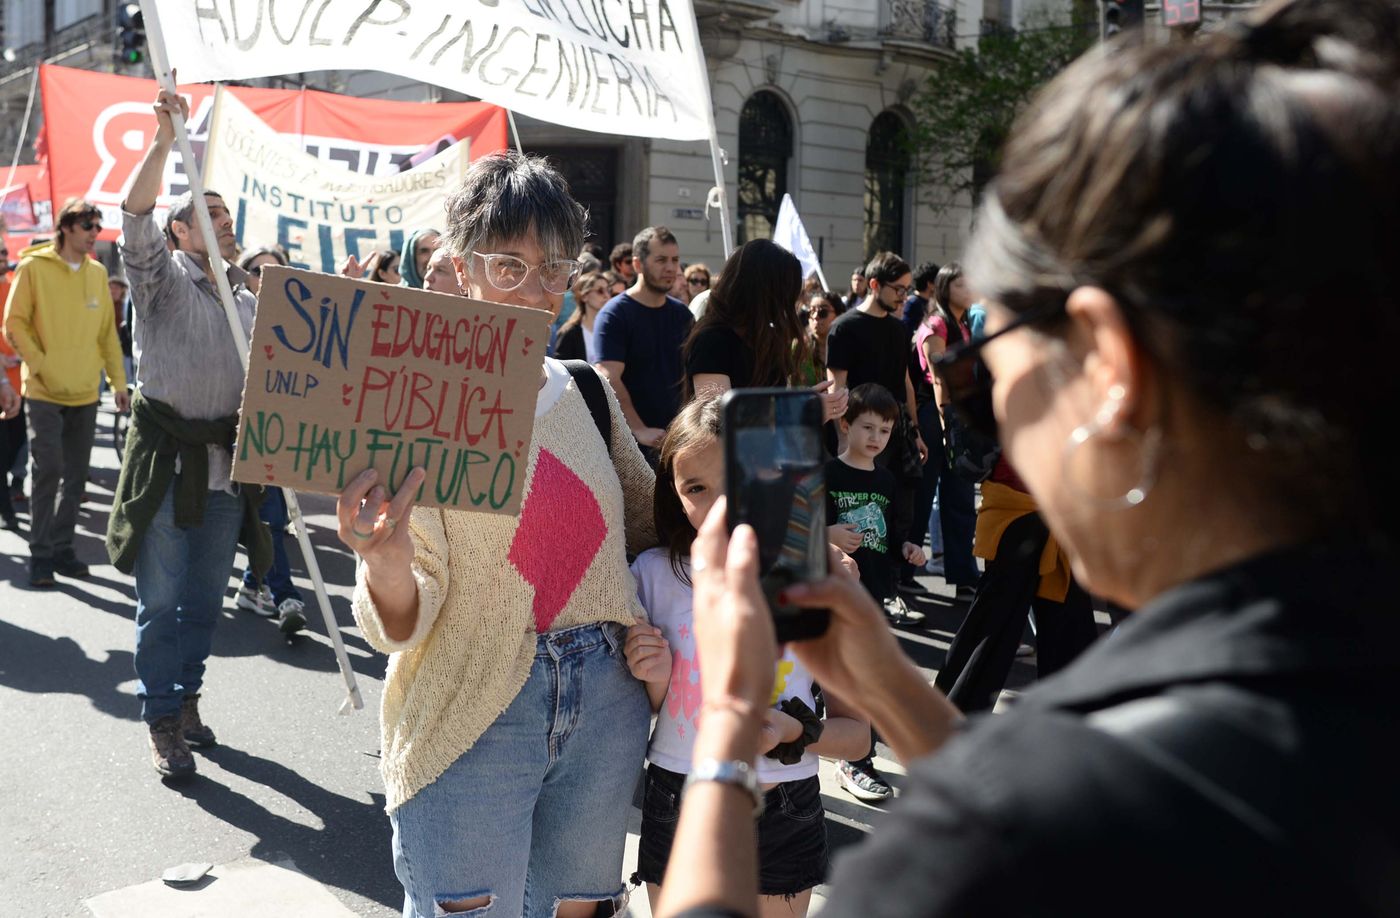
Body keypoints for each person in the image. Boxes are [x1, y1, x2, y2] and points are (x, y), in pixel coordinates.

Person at [653, 3, 1400, 914]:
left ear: (1105, 363)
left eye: (984, 367)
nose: (992, 408)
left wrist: (727, 727)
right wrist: (890, 685)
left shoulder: (1051, 814)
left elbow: (1028, 833)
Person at [337, 150, 657, 918]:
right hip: (472, 710)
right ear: (458, 266)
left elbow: (651, 532)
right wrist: (383, 562)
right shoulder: (412, 405)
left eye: (553, 269)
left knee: (580, 907)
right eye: (508, 266)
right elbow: (404, 620)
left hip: (608, 707)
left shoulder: (585, 390)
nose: (535, 291)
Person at [625, 394, 868, 918]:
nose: (720, 505)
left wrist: (792, 732)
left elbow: (857, 738)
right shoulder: (651, 575)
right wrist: (656, 678)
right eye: (696, 488)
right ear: (672, 493)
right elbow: (640, 714)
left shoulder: (820, 581)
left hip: (784, 806)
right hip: (677, 795)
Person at [108, 89, 271, 779]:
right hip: (170, 467)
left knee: (204, 602)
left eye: (229, 217)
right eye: (208, 214)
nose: (224, 225)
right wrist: (163, 142)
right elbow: (135, 212)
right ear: (178, 233)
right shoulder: (161, 282)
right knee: (163, 603)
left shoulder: (248, 300)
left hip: (225, 470)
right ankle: (162, 719)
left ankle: (188, 696)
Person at [4, 198, 128, 586]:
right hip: (43, 392)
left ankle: (62, 549)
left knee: (75, 479)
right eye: (89, 225)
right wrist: (40, 365)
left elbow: (108, 334)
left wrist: (119, 383)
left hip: (85, 393)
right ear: (67, 227)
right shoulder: (33, 268)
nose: (95, 233)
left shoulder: (96, 273)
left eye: (97, 226)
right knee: (48, 472)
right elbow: (14, 324)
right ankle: (40, 555)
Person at [824, 383, 925, 802]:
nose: (875, 438)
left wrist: (908, 548)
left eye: (884, 431)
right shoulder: (828, 473)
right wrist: (826, 534)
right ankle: (853, 759)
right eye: (867, 427)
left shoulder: (885, 479)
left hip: (876, 593)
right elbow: (801, 527)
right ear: (844, 425)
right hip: (837, 591)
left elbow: (892, 531)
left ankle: (855, 752)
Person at [682, 240, 846, 423]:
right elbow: (717, 420)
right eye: (786, 292)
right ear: (764, 291)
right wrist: (799, 410)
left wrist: (805, 403)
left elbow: (773, 407)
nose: (790, 304)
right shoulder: (711, 339)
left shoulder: (769, 338)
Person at [594, 225, 692, 451]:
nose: (670, 268)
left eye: (675, 260)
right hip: (631, 447)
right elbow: (608, 376)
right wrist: (638, 429)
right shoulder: (615, 314)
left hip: (678, 440)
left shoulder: (683, 315)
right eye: (661, 260)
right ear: (637, 264)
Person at [915, 263, 980, 599]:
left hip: (958, 416)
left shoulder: (963, 322)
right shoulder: (937, 323)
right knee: (924, 496)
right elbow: (939, 379)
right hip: (937, 415)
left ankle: (964, 576)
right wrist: (945, 423)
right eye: (960, 283)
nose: (968, 288)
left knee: (960, 499)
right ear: (943, 287)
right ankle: (905, 571)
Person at [0, 249, 24, 532]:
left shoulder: (15, 285)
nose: (3, 257)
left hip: (17, 384)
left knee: (16, 444)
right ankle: (6, 508)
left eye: (4, 252)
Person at [554, 270, 609, 362]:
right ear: (584, 296)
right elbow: (562, 369)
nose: (607, 295)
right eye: (600, 291)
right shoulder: (569, 333)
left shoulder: (613, 329)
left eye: (608, 290)